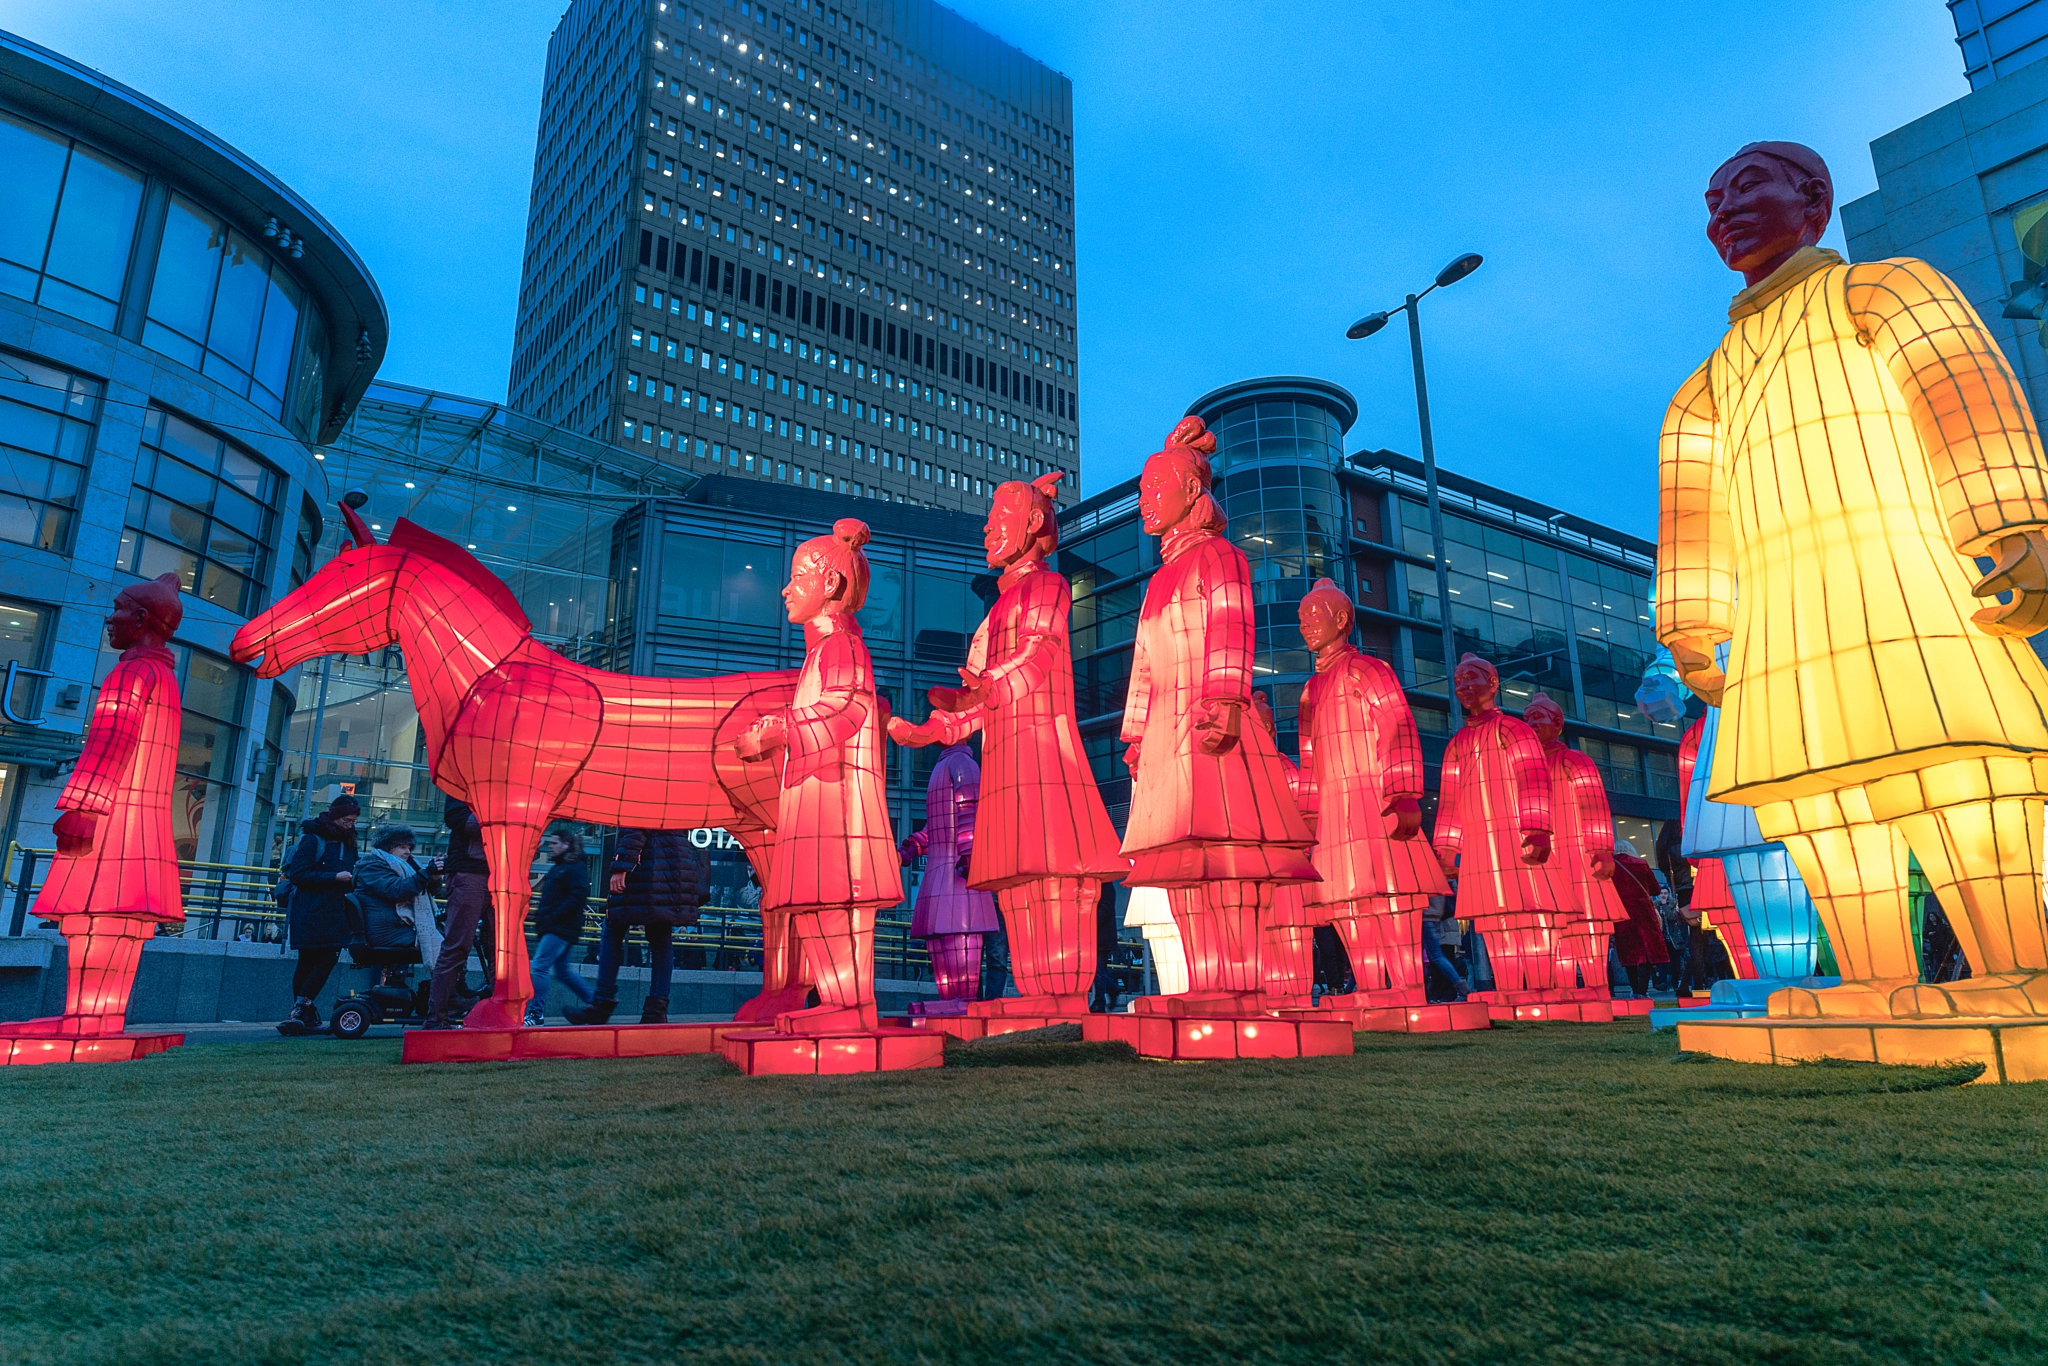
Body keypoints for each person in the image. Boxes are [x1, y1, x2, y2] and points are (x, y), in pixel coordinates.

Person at [1661, 140, 2048, 1021]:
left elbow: (1966, 394)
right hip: (1782, 623)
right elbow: (1689, 510)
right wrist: (1690, 621)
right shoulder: (1704, 388)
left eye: (1745, 186)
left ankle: (2020, 963)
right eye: (1712, 200)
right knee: (1816, 801)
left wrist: (2016, 526)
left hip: (1904, 584)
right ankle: (1874, 981)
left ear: (1814, 197)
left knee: (1958, 774)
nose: (1724, 209)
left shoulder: (1881, 292)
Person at [734, 518, 904, 1034]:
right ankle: (842, 1003)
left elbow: (845, 708)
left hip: (837, 801)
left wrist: (777, 729)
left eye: (798, 576)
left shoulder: (840, 646)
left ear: (830, 584)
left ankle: (848, 1006)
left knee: (835, 902)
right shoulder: (823, 650)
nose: (786, 589)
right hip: (819, 795)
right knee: (818, 903)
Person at [4, 573, 189, 1043]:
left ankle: (85, 1023)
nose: (110, 617)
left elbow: (111, 740)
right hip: (142, 824)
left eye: (119, 608)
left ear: (143, 618)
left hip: (112, 820)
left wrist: (83, 806)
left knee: (95, 918)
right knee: (121, 924)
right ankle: (100, 1020)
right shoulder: (164, 677)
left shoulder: (131, 672)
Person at [567, 829, 706, 1025]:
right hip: (673, 865)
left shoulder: (644, 800)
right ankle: (656, 1009)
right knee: (660, 936)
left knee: (613, 927)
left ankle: (603, 1002)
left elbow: (637, 822)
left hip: (648, 866)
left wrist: (621, 866)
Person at [280, 794, 361, 1032]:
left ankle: (303, 1011)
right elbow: (299, 875)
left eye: (353, 820)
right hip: (312, 909)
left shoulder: (347, 841)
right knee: (316, 959)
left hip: (333, 910)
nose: (350, 824)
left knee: (316, 959)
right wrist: (334, 877)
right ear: (335, 817)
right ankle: (303, 1009)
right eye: (346, 820)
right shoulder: (313, 840)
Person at [424, 795, 491, 1029]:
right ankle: (437, 1018)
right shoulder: (465, 785)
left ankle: (438, 1017)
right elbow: (459, 819)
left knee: (466, 948)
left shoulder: (467, 785)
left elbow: (460, 819)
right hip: (473, 871)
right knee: (459, 947)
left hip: (479, 871)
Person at [526, 831, 594, 1026]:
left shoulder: (571, 868)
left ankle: (536, 1014)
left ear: (566, 844)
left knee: (539, 967)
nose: (550, 846)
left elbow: (577, 897)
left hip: (560, 927)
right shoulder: (564, 867)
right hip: (559, 927)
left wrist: (553, 917)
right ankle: (596, 1002)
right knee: (562, 971)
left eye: (554, 843)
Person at [355, 825, 443, 957]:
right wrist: (427, 872)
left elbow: (428, 891)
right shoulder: (372, 867)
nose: (407, 851)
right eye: (402, 847)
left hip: (398, 926)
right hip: (386, 931)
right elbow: (397, 890)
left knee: (451, 939)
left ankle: (445, 977)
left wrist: (435, 877)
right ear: (387, 847)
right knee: (446, 945)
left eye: (409, 848)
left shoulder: (409, 866)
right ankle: (445, 978)